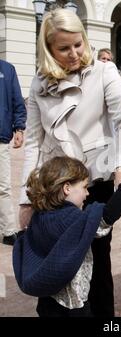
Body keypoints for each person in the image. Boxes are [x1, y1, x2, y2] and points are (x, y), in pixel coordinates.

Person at [18, 8, 121, 317]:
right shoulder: (38, 82)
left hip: (93, 185)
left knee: (98, 262)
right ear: (49, 49)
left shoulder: (104, 72)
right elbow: (33, 143)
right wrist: (26, 199)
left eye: (78, 44)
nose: (74, 53)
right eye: (64, 48)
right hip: (54, 189)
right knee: (55, 260)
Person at [13, 151, 121, 317]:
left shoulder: (40, 216)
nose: (88, 193)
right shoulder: (70, 220)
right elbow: (107, 216)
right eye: (84, 187)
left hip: (46, 304)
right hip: (73, 310)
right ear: (67, 188)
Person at [0, 59, 27, 245]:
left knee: (3, 186)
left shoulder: (7, 69)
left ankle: (8, 230)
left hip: (0, 136)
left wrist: (19, 128)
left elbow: (17, 100)